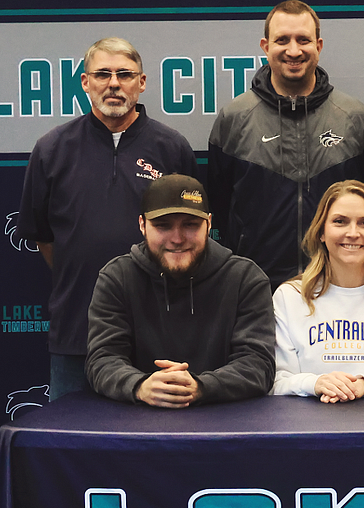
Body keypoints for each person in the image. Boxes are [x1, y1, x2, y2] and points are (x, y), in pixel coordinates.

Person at [17, 37, 197, 400]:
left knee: (155, 448)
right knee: (69, 447)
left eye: (124, 74)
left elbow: (192, 236)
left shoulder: (172, 148)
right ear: (85, 82)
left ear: (141, 83)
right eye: (102, 74)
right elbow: (46, 239)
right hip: (76, 331)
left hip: (156, 333)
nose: (113, 83)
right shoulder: (52, 149)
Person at [208, 0, 364, 289]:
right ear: (266, 47)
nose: (293, 50)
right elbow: (219, 207)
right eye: (282, 40)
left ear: (319, 45)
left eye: (303, 40)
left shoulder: (354, 117)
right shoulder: (234, 118)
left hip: (339, 286)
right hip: (256, 288)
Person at [86, 174, 276, 407]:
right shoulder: (117, 278)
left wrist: (199, 387)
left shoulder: (246, 279)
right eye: (163, 226)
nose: (177, 238)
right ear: (142, 225)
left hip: (227, 426)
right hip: (136, 428)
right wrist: (140, 386)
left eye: (190, 225)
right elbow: (102, 360)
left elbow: (258, 365)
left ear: (209, 224)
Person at [272, 180, 364, 402]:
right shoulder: (290, 297)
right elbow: (275, 382)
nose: (353, 233)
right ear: (321, 231)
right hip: (309, 430)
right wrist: (316, 383)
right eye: (340, 222)